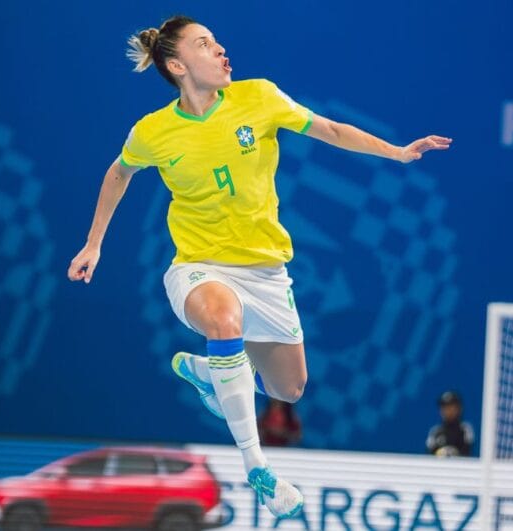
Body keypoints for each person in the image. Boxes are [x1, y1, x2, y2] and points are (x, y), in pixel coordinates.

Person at [67, 15, 451, 518]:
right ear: (179, 65)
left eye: (218, 41)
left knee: (288, 389)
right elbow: (118, 174)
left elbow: (330, 129)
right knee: (223, 319)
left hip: (266, 270)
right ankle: (257, 468)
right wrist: (94, 243)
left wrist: (397, 152)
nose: (221, 49)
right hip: (199, 267)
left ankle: (213, 371)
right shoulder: (154, 131)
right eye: (206, 45)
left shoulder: (260, 97)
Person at [425, 390, 474, 457]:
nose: (448, 411)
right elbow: (429, 453)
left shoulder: (465, 429)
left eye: (451, 407)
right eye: (444, 407)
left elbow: (466, 451)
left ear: (459, 409)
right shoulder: (435, 431)